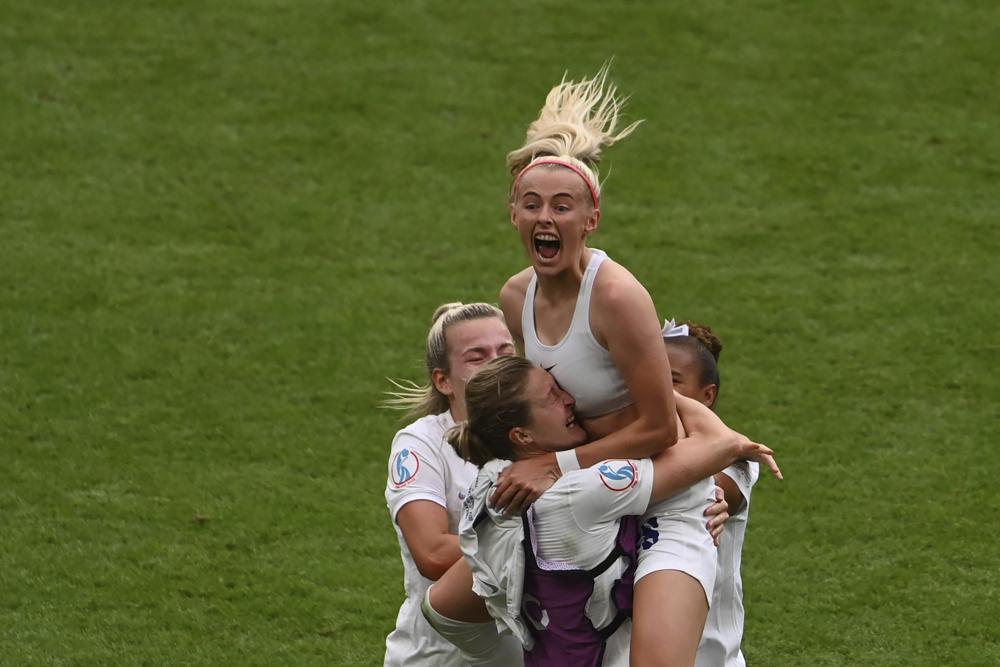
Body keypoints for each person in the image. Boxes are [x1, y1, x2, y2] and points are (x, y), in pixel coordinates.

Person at [494, 65, 726, 665]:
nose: (547, 218)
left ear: (590, 220)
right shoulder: (515, 297)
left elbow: (660, 429)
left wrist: (553, 462)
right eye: (532, 205)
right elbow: (531, 404)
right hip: (588, 500)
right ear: (513, 215)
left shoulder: (617, 296)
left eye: (563, 207)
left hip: (663, 501)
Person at [423, 356, 780, 666]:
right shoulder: (582, 491)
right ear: (522, 435)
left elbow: (443, 611)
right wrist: (653, 389)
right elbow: (718, 445)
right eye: (552, 396)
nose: (570, 399)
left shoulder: (491, 483)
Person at [382, 302, 522, 667]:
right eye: (477, 357)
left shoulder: (547, 431)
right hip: (440, 658)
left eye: (505, 351)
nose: (497, 364)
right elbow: (431, 554)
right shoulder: (421, 444)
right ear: (443, 380)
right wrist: (536, 551)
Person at [662, 320, 759, 667]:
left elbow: (719, 490)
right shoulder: (624, 451)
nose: (654, 389)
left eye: (671, 381)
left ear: (707, 396)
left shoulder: (736, 455)